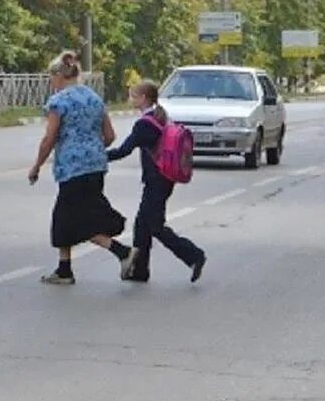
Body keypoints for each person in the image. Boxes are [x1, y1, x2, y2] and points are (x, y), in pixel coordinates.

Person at [29, 51, 137, 285]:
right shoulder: (94, 99)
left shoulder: (59, 102)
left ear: (59, 75)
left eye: (51, 77)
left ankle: (123, 252)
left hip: (72, 169)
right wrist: (92, 149)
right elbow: (109, 136)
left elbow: (49, 138)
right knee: (64, 217)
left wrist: (36, 166)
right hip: (96, 166)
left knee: (78, 219)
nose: (51, 82)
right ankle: (64, 269)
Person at [107, 80, 206, 283]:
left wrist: (98, 157)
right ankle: (139, 270)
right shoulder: (160, 117)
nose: (131, 99)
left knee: (155, 226)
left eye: (134, 96)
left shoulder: (144, 124)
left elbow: (123, 150)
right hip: (165, 178)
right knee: (142, 224)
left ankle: (193, 255)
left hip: (156, 180)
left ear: (143, 98)